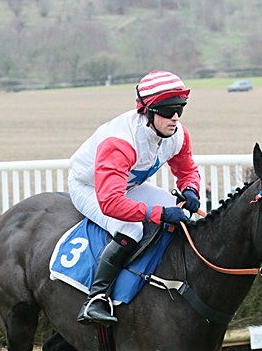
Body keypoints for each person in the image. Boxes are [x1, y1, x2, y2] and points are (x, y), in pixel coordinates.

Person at [68, 70, 201, 325]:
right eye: (168, 110)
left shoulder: (178, 135)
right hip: (90, 188)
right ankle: (96, 298)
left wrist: (190, 189)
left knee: (181, 213)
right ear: (148, 111)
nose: (175, 118)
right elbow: (111, 203)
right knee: (131, 228)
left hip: (129, 185)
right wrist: (158, 214)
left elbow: (187, 170)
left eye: (180, 110)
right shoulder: (120, 142)